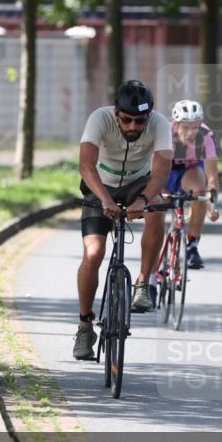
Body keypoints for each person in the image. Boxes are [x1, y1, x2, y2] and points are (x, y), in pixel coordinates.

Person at [73, 80, 172, 360]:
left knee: (158, 206)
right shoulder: (100, 118)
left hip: (137, 184)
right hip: (99, 185)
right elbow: (85, 165)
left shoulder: (159, 123)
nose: (133, 127)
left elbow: (161, 170)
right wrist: (105, 200)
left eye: (140, 121)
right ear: (117, 113)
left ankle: (142, 282)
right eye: (126, 120)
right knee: (93, 253)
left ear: (148, 117)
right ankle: (84, 325)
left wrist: (143, 201)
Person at [166, 99, 220, 269]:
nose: (191, 133)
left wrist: (212, 205)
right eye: (186, 127)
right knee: (157, 208)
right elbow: (153, 172)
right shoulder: (165, 134)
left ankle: (192, 245)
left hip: (189, 170)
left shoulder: (205, 137)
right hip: (164, 171)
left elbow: (212, 177)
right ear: (176, 124)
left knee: (200, 192)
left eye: (195, 127)